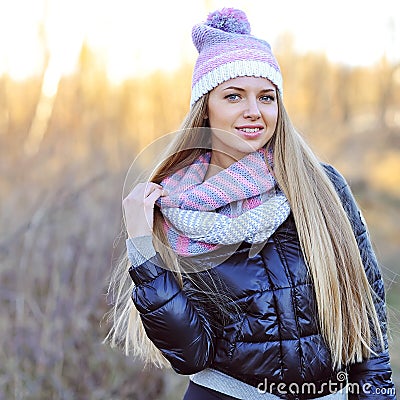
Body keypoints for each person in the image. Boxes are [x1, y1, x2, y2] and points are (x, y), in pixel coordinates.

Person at [105, 8, 397, 400]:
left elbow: (367, 318)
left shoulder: (320, 188)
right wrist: (142, 247)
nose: (254, 112)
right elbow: (191, 354)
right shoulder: (175, 210)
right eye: (233, 96)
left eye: (266, 97)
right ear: (205, 107)